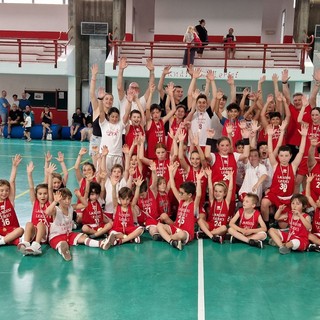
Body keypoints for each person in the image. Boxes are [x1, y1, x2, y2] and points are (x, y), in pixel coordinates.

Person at [260, 123, 308, 228]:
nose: (284, 158)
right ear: (279, 156)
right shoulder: (275, 165)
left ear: (290, 156)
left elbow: (301, 152)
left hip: (287, 199)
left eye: (286, 156)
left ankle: (276, 218)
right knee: (264, 202)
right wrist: (269, 136)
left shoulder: (293, 166)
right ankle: (267, 225)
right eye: (281, 155)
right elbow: (271, 152)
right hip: (275, 195)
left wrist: (304, 137)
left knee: (283, 226)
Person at [46, 188, 112, 261]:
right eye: (64, 199)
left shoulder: (71, 208)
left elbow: (85, 205)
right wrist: (55, 201)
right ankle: (64, 252)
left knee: (83, 238)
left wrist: (80, 197)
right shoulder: (56, 209)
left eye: (69, 199)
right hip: (56, 236)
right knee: (61, 244)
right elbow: (47, 212)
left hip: (69, 234)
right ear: (59, 200)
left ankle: (100, 244)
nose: (67, 201)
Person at [157, 162, 203, 250]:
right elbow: (173, 187)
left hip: (186, 233)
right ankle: (171, 241)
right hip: (176, 227)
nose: (180, 194)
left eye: (182, 193)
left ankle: (167, 238)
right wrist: (170, 172)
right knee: (159, 225)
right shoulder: (181, 201)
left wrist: (198, 180)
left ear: (189, 195)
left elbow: (198, 195)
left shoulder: (193, 205)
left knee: (181, 234)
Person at [17, 161, 54, 255]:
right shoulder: (35, 203)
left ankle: (37, 246)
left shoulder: (49, 203)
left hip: (46, 233)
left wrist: (49, 175)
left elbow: (50, 188)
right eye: (40, 194)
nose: (43, 196)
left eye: (45, 194)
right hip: (35, 233)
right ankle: (25, 244)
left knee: (40, 224)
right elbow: (31, 188)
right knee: (29, 224)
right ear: (36, 195)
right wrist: (29, 174)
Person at [197, 168, 233, 243]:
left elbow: (230, 189)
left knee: (224, 228)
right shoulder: (213, 201)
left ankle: (205, 234)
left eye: (220, 191)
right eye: (216, 191)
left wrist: (231, 177)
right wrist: (209, 176)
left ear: (224, 193)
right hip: (210, 226)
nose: (217, 193)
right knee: (200, 220)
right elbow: (210, 189)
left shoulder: (226, 202)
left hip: (220, 228)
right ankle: (212, 236)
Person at [89, 64, 114, 162]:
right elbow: (91, 94)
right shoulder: (97, 109)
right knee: (97, 167)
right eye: (106, 99)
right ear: (102, 100)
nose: (108, 101)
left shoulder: (113, 114)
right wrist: (94, 76)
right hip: (96, 141)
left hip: (108, 141)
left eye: (111, 99)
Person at [0, 154, 24, 246]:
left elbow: (12, 181)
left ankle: (2, 241)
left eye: (7, 190)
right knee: (17, 241)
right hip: (0, 231)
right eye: (1, 190)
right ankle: (6, 240)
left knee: (21, 230)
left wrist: (14, 167)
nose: (4, 193)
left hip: (12, 230)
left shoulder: (9, 200)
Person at [305, 174, 320, 252]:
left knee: (308, 236)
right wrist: (308, 182)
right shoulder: (316, 208)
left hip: (316, 236)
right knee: (305, 234)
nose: (317, 201)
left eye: (319, 200)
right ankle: (316, 246)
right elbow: (308, 196)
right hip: (315, 235)